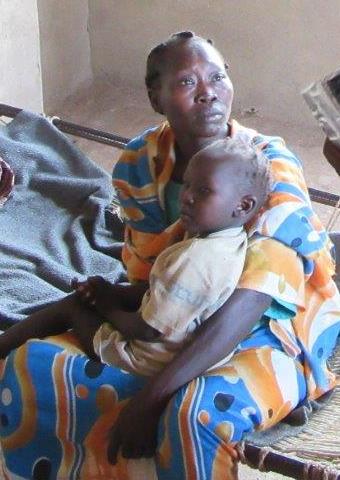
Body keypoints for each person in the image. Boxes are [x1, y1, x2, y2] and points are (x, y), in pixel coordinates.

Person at [0, 31, 339, 480]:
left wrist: (150, 398)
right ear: (155, 98)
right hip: (177, 310)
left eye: (218, 77)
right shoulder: (140, 162)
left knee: (193, 417)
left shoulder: (268, 165)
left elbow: (252, 300)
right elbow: (149, 275)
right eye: (186, 82)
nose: (209, 93)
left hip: (270, 323)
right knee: (32, 363)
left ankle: (286, 386)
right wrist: (103, 302)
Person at [0, 136, 270, 378]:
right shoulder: (228, 239)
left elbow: (147, 331)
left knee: (72, 307)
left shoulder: (193, 261)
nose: (186, 197)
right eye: (187, 185)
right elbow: (161, 291)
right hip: (175, 343)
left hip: (145, 358)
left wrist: (105, 305)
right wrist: (109, 292)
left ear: (243, 205)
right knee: (96, 294)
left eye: (203, 191)